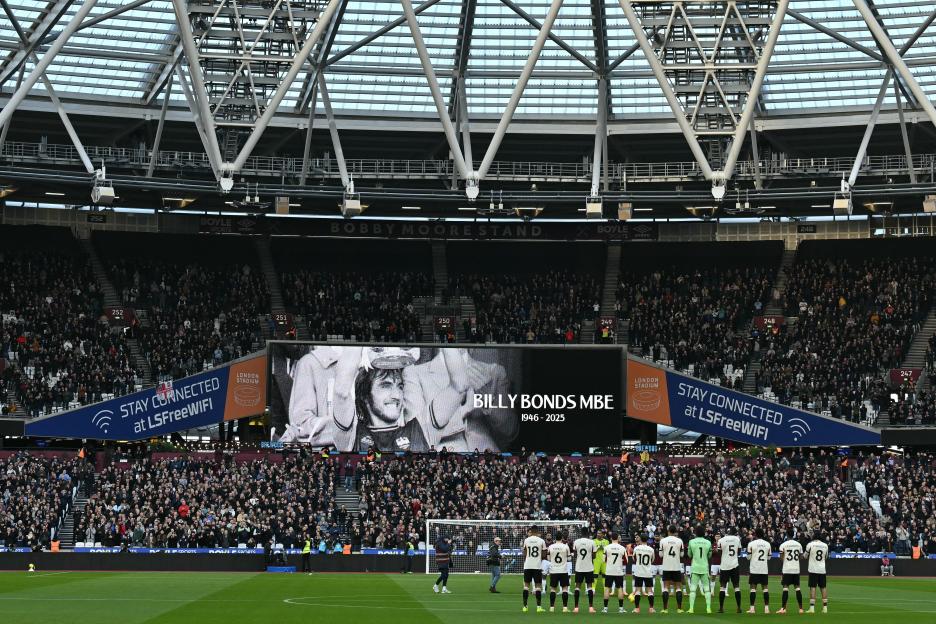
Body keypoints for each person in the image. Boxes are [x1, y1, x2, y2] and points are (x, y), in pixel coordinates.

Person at [659, 525, 685, 614]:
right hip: (676, 567)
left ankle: (665, 609)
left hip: (666, 566)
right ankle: (679, 609)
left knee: (665, 587)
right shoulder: (679, 541)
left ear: (668, 531)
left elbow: (660, 555)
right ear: (675, 531)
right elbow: (682, 555)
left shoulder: (663, 541)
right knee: (678, 588)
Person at [687, 524, 713, 614]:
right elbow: (709, 556)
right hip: (704, 567)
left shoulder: (691, 542)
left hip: (695, 567)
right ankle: (708, 608)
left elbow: (689, 555)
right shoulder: (708, 542)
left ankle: (691, 608)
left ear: (696, 532)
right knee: (707, 589)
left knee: (693, 589)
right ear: (704, 533)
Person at [716, 529, 743, 613]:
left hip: (725, 565)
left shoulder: (721, 540)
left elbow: (719, 553)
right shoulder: (737, 539)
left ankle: (721, 608)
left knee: (722, 586)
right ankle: (738, 608)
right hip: (734, 564)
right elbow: (739, 552)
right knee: (736, 586)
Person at [777, 531, 804, 614]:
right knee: (797, 588)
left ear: (787, 535)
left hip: (787, 569)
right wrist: (794, 561)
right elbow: (801, 557)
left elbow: (781, 558)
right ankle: (801, 609)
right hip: (796, 569)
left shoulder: (783, 545)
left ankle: (783, 608)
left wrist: (787, 561)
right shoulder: (798, 545)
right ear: (794, 535)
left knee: (785, 588)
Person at [747, 528, 772, 614]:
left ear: (755, 534)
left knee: (753, 589)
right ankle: (766, 609)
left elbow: (749, 557)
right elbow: (769, 557)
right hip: (764, 569)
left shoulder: (751, 544)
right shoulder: (767, 544)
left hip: (754, 569)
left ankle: (752, 609)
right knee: (765, 589)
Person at [572, 528, 597, 613]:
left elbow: (575, 555)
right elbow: (594, 556)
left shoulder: (576, 542)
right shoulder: (592, 542)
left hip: (579, 567)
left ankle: (576, 608)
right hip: (589, 567)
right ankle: (590, 608)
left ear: (581, 533)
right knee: (589, 587)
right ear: (588, 533)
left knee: (577, 586)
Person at [522, 526, 547, 613]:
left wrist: (527, 559)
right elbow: (544, 555)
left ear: (531, 531)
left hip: (528, 565)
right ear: (538, 531)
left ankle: (525, 607)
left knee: (526, 586)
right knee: (538, 587)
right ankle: (539, 607)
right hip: (537, 566)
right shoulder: (541, 541)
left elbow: (524, 552)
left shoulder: (527, 540)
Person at [602, 532, 628, 613]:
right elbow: (626, 561)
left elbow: (603, 560)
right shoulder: (622, 548)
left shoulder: (606, 548)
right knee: (620, 589)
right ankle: (621, 609)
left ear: (611, 538)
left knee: (607, 588)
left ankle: (605, 608)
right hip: (618, 571)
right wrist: (620, 561)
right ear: (618, 538)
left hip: (609, 571)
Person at [804, 533, 830, 613]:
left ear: (813, 537)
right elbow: (826, 557)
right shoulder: (825, 545)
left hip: (813, 569)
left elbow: (805, 556)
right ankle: (825, 608)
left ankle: (812, 608)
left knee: (813, 587)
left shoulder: (810, 544)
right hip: (822, 569)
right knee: (823, 587)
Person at [631, 534, 656, 614]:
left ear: (641, 539)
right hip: (648, 572)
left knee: (638, 591)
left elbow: (633, 558)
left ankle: (637, 609)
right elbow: (652, 560)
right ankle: (651, 608)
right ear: (648, 540)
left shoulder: (637, 548)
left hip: (639, 572)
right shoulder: (651, 549)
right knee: (650, 591)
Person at [547, 533, 571, 612]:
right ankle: (565, 608)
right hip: (563, 570)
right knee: (564, 589)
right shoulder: (566, 546)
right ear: (562, 538)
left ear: (555, 538)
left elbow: (548, 558)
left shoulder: (551, 547)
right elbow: (569, 559)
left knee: (553, 589)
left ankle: (551, 607)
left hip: (554, 570)